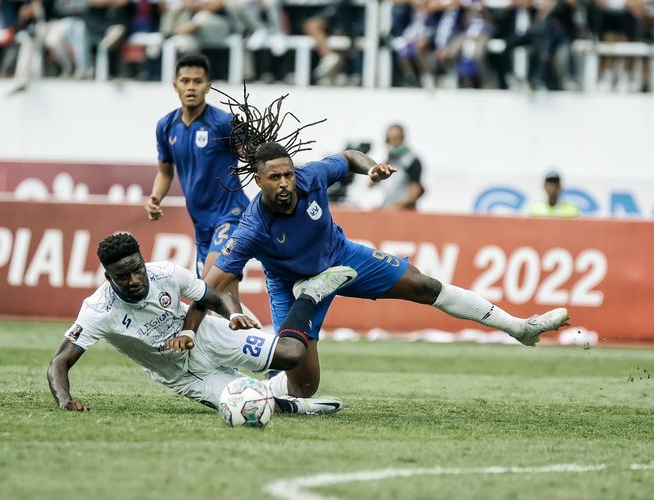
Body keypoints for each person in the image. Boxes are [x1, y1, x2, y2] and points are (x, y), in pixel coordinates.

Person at [187, 92, 570, 399]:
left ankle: (519, 328)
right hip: (291, 285)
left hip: (343, 258)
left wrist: (371, 167)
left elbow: (350, 158)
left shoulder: (311, 177)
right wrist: (188, 328)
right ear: (259, 181)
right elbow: (210, 282)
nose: (285, 183)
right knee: (304, 386)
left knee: (423, 285)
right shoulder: (253, 227)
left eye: (288, 174)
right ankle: (257, 390)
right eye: (276, 178)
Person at [47, 232, 352, 414]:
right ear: (107, 277)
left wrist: (233, 315)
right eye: (123, 277)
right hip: (182, 374)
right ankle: (290, 403)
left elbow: (213, 297)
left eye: (137, 269)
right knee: (252, 405)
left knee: (294, 356)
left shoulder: (165, 272)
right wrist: (65, 400)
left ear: (143, 260)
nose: (135, 279)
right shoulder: (98, 310)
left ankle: (308, 295)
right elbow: (59, 362)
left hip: (208, 335)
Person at [146, 54, 253, 310]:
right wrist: (155, 198)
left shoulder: (224, 123)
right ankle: (243, 338)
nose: (191, 86)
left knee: (208, 284)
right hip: (201, 224)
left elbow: (249, 155)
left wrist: (252, 146)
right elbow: (165, 172)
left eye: (197, 81)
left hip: (231, 214)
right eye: (185, 81)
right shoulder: (166, 126)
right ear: (176, 85)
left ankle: (191, 332)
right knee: (223, 297)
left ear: (208, 85)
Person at [370, 124, 425, 210]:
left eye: (396, 139)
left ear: (403, 139)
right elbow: (370, 185)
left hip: (404, 212)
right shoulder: (388, 161)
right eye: (390, 140)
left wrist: (392, 208)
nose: (393, 143)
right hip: (388, 210)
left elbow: (415, 192)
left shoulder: (411, 161)